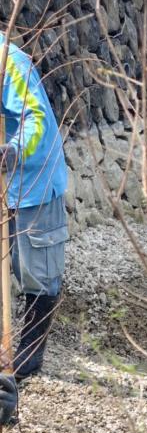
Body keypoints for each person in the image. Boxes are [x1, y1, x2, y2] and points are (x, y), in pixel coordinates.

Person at [0, 33, 69, 381]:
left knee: (37, 274)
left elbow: (36, 119)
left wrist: (11, 151)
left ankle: (29, 357)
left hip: (33, 182)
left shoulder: (10, 62)